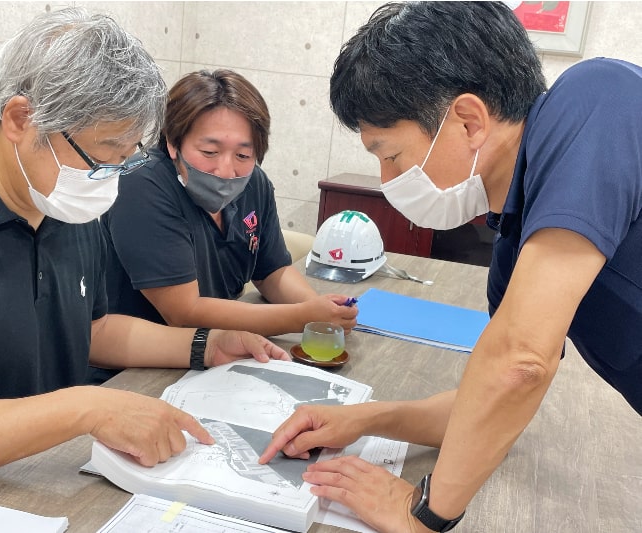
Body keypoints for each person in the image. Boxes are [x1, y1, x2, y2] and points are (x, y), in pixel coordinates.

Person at [259, 2, 642, 532]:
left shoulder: (595, 98)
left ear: (468, 121)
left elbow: (519, 363)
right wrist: (366, 419)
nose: (387, 176)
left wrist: (422, 514)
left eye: (390, 154)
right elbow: (489, 401)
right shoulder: (515, 243)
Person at [0, 7, 291, 484]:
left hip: (53, 478)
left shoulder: (63, 202)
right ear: (21, 118)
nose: (108, 180)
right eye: (103, 155)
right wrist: (85, 408)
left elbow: (95, 330)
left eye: (126, 158)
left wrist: (206, 345)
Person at [101, 69, 358, 339]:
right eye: (210, 152)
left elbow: (272, 272)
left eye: (243, 155)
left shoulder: (254, 183)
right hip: (138, 365)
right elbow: (183, 313)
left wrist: (320, 309)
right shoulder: (141, 183)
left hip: (218, 349)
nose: (226, 170)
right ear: (174, 143)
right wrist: (302, 317)